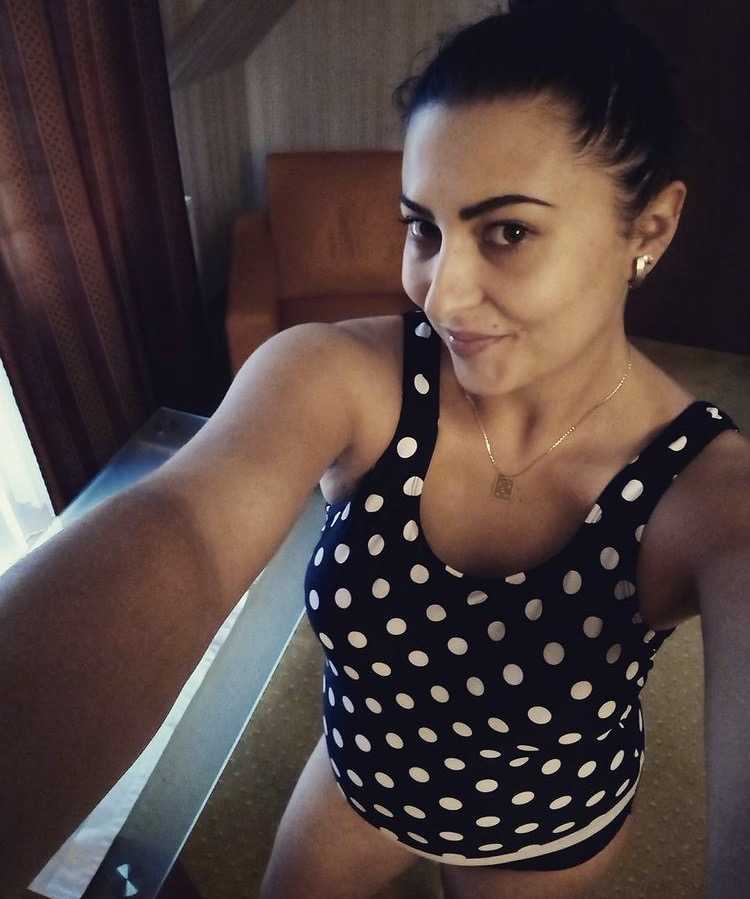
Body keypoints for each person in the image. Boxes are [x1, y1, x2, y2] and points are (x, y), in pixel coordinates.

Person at [1, 1, 748, 897]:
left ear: (649, 231)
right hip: (359, 785)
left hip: (543, 829)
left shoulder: (710, 493)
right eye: (424, 227)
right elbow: (184, 531)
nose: (441, 292)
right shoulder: (336, 375)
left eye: (508, 231)